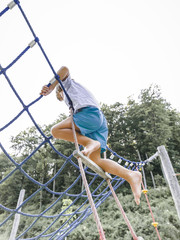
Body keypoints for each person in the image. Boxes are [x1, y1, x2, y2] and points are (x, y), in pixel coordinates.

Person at [40, 66, 142, 205]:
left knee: (55, 131)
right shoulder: (77, 98)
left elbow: (64, 69)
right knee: (96, 161)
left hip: (88, 114)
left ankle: (90, 143)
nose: (62, 98)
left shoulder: (67, 85)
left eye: (60, 96)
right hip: (98, 121)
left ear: (59, 90)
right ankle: (130, 175)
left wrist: (51, 86)